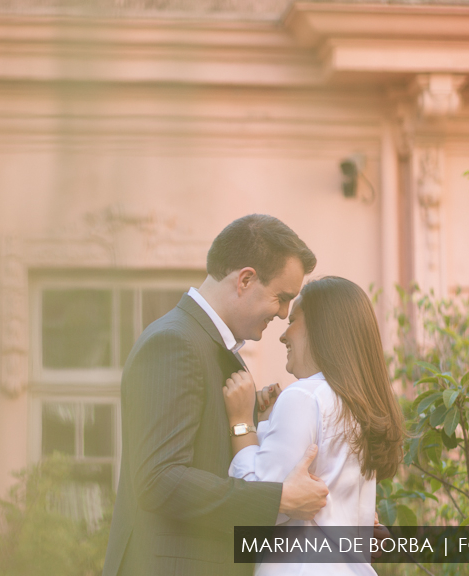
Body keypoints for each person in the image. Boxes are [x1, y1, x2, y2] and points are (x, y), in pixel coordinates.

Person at [102, 215, 329, 576]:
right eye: (281, 298)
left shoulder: (212, 349)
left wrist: (250, 415)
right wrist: (279, 499)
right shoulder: (173, 342)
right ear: (245, 279)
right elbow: (159, 478)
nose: (284, 314)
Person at [223, 276, 406, 575]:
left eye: (293, 319)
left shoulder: (304, 397)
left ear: (321, 327)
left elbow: (256, 505)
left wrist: (241, 421)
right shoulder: (358, 405)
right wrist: (269, 426)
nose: (283, 335)